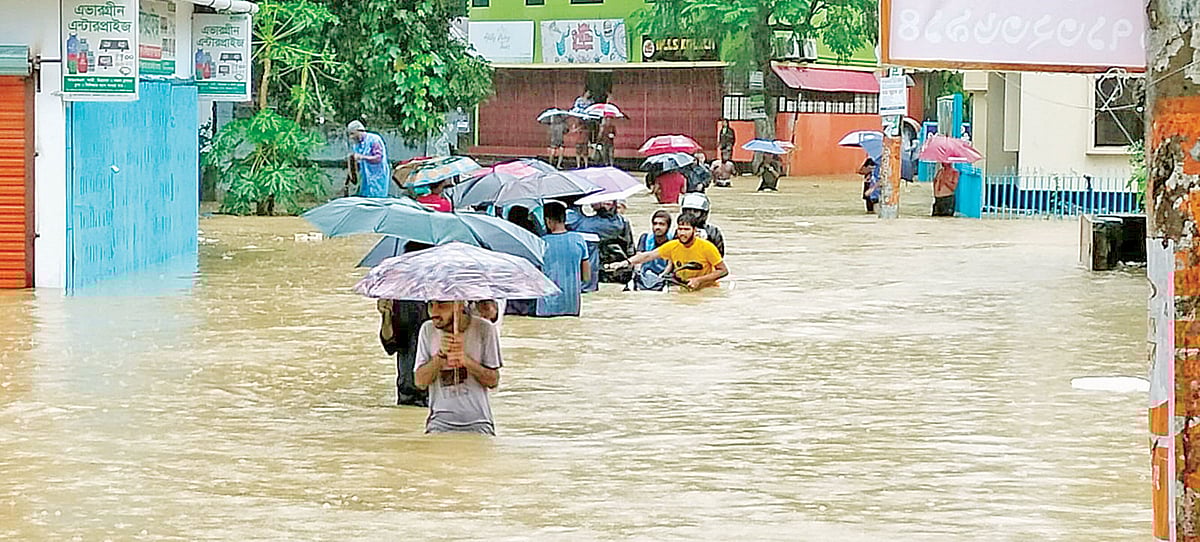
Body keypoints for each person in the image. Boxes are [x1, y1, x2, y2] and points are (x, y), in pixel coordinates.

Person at [414, 301, 502, 435]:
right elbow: (420, 382)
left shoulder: (485, 329)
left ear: (460, 305)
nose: (434, 312)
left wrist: (466, 361)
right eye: (431, 305)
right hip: (439, 422)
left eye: (442, 305)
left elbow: (493, 381)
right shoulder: (427, 330)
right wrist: (441, 356)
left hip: (479, 422)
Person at [378, 241, 434, 407]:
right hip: (408, 391)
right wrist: (386, 316)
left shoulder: (448, 298)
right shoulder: (400, 299)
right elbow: (391, 345)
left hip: (440, 393)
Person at [610, 213, 728, 291]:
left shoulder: (707, 247)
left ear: (694, 231)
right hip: (682, 286)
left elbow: (723, 271)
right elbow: (647, 256)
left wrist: (699, 280)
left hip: (706, 289)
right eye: (680, 229)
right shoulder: (673, 246)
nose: (682, 233)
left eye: (686, 229)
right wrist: (624, 263)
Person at [536, 202, 590, 317]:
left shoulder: (540, 243)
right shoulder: (579, 240)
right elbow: (586, 277)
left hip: (547, 305)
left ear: (548, 221)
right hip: (572, 304)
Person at [568, 201, 634, 292]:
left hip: (611, 273)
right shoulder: (616, 222)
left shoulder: (615, 223)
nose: (606, 202)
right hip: (601, 274)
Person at [633, 210, 673, 291]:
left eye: (661, 224)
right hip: (645, 275)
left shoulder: (673, 241)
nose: (657, 227)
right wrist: (638, 272)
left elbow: (670, 263)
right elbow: (639, 259)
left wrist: (662, 276)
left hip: (663, 276)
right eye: (655, 224)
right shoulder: (645, 238)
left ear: (668, 227)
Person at [348, 120, 389, 198]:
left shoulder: (374, 140)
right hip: (365, 179)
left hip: (377, 178)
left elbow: (378, 158)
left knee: (376, 202)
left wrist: (362, 157)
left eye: (353, 133)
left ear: (359, 130)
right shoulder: (356, 145)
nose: (351, 137)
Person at [679, 192, 725, 257]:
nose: (692, 215)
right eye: (688, 211)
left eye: (696, 212)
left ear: (703, 213)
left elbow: (719, 255)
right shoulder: (679, 231)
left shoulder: (713, 232)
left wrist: (706, 240)